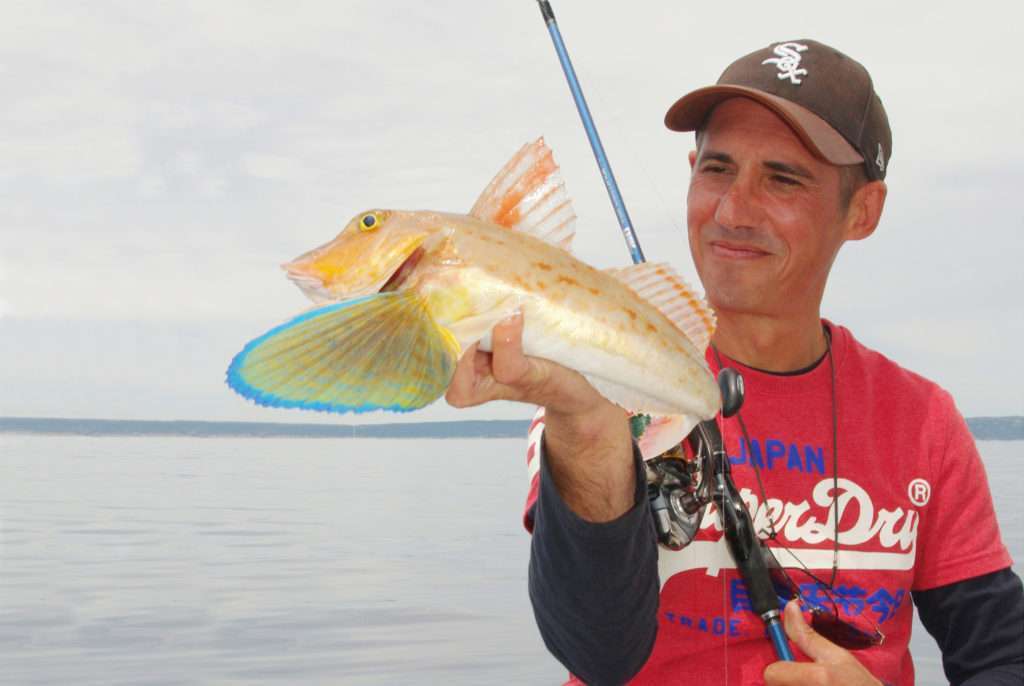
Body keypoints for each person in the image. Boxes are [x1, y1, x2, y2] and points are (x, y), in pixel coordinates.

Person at [446, 39, 1024, 685]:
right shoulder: (598, 376)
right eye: (717, 169)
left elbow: (1001, 657)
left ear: (862, 211)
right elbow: (595, 650)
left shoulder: (921, 418)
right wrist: (585, 427)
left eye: (783, 178)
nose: (733, 211)